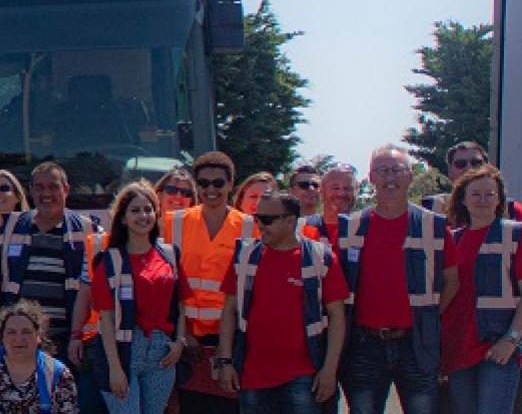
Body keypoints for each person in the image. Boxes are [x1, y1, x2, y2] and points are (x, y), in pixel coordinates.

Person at [335, 145, 448, 414]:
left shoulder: (434, 226)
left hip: (416, 343)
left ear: (410, 176)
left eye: (397, 170)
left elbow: (451, 279)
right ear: (371, 178)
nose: (390, 178)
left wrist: (428, 316)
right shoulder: (351, 226)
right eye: (383, 171)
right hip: (364, 344)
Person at [213, 193, 348, 414]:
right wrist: (225, 362)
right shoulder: (245, 256)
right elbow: (229, 311)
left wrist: (329, 370)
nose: (260, 225)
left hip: (304, 376)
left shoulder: (320, 257)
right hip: (253, 376)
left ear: (290, 221)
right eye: (257, 218)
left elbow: (337, 317)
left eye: (267, 220)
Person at [439, 166, 522, 412]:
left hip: (496, 346)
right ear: (463, 199)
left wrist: (511, 340)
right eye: (475, 194)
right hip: (457, 347)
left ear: (499, 199)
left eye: (490, 194)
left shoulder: (516, 235)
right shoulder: (451, 239)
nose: (483, 200)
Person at [166, 151, 253, 414]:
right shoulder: (173, 223)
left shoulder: (249, 227)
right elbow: (167, 286)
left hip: (231, 338)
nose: (210, 189)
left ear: (231, 184)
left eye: (218, 183)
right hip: (186, 339)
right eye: (203, 183)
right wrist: (184, 335)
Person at [90, 183, 185, 414]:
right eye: (135, 210)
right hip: (124, 351)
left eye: (148, 209)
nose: (143, 216)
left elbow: (181, 305)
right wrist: (115, 368)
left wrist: (179, 343)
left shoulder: (170, 255)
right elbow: (106, 319)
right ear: (123, 218)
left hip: (162, 353)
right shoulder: (109, 261)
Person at [0, 162, 101, 360]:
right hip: (21, 339)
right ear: (30, 191)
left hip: (66, 339)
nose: (46, 193)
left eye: (53, 186)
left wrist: (78, 335)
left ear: (66, 189)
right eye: (39, 187)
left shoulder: (87, 229)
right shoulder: (12, 226)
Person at [0, 301, 77, 414]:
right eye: (11, 332)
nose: (19, 339)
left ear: (38, 336)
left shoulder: (58, 373)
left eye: (26, 332)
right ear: (1, 337)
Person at [421, 142, 522, 225]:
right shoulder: (430, 208)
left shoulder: (511, 210)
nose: (469, 168)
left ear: (487, 168)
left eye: (476, 163)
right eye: (460, 164)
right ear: (449, 171)